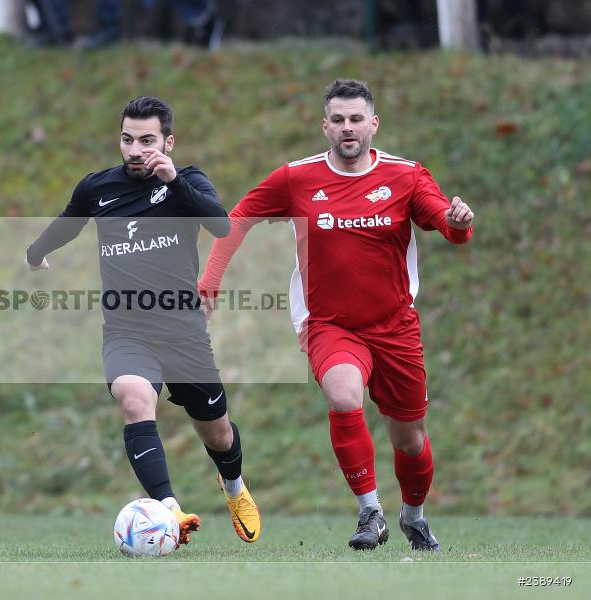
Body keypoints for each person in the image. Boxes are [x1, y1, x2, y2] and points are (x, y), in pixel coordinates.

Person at [200, 79, 475, 551]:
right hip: (329, 323)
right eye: (339, 119)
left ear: (373, 124)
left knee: (410, 440)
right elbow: (239, 218)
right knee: (344, 396)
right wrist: (209, 283)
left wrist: (457, 224)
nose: (348, 127)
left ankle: (414, 516)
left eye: (356, 119)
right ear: (325, 126)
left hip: (395, 326)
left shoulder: (406, 175)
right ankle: (370, 511)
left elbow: (441, 220)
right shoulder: (296, 178)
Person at [26, 96, 262, 545]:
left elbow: (221, 226)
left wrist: (174, 181)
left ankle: (233, 486)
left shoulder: (188, 180)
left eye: (147, 141)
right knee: (134, 399)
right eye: (127, 140)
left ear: (168, 142)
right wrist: (35, 253)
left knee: (217, 432)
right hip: (127, 331)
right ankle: (169, 511)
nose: (135, 150)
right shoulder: (98, 187)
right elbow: (69, 222)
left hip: (183, 333)